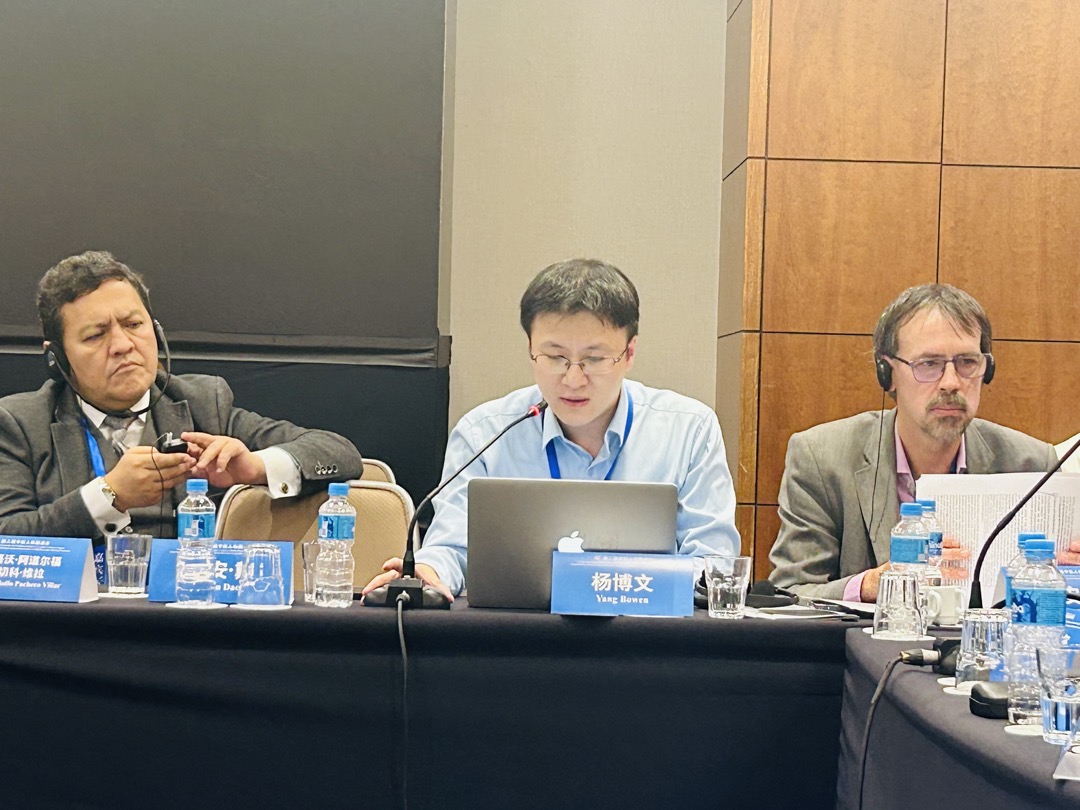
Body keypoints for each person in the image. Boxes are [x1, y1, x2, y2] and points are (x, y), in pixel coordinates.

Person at [362, 258, 741, 601]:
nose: (573, 379)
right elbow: (453, 547)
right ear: (530, 349)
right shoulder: (484, 433)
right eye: (555, 357)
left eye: (594, 359)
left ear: (629, 353)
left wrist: (613, 584)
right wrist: (428, 571)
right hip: (518, 640)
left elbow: (713, 562)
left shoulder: (689, 430)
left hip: (646, 639)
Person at [0, 250, 363, 542]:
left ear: (155, 331)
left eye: (133, 325)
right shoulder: (19, 425)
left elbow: (339, 453)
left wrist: (253, 467)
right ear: (57, 358)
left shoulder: (204, 403)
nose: (123, 345)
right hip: (72, 611)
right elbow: (6, 533)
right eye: (96, 335)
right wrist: (109, 496)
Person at [768, 283, 1057, 601]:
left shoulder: (1031, 465)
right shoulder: (822, 458)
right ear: (887, 373)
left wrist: (1068, 578)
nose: (951, 382)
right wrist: (870, 585)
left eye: (967, 362)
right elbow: (789, 594)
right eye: (929, 364)